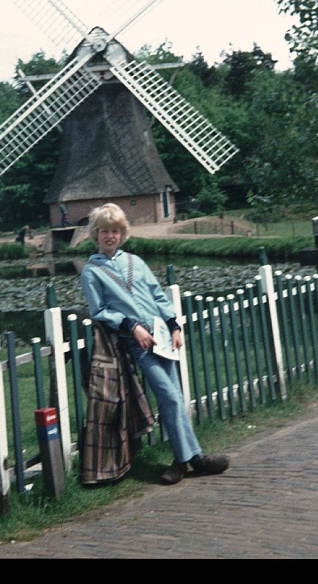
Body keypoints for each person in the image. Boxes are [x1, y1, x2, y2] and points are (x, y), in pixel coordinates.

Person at [80, 203, 229, 485]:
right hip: (137, 342)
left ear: (122, 233)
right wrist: (131, 326)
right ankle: (195, 459)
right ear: (95, 235)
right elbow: (99, 310)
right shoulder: (91, 271)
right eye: (104, 231)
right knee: (170, 397)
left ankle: (183, 461)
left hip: (161, 336)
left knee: (173, 396)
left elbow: (158, 296)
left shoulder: (136, 262)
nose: (110, 236)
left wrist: (174, 326)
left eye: (114, 231)